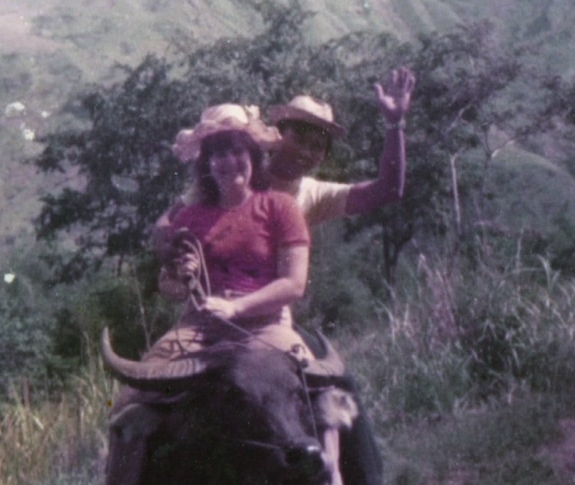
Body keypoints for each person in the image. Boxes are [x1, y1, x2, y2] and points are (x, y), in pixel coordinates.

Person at [153, 67, 416, 485]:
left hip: (269, 315)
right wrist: (173, 259)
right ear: (279, 134)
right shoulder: (221, 175)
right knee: (139, 402)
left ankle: (360, 477)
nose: (308, 152)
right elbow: (170, 231)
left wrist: (394, 124)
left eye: (319, 145)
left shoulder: (302, 196)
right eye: (302, 137)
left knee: (334, 389)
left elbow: (387, 190)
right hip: (203, 322)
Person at [107, 103, 334, 484]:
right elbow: (171, 287)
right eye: (217, 153)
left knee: (320, 392)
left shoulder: (280, 207)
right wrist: (182, 275)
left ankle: (331, 477)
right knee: (130, 403)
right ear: (207, 164)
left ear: (252, 157)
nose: (228, 162)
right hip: (198, 328)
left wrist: (236, 306)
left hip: (265, 327)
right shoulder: (191, 216)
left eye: (236, 151)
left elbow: (293, 284)